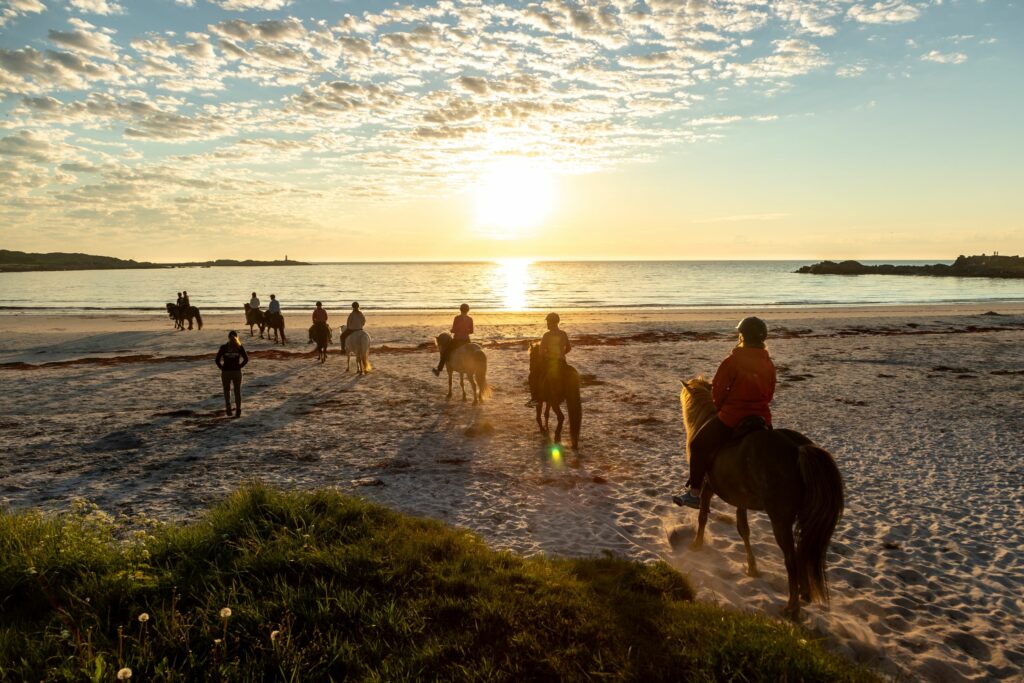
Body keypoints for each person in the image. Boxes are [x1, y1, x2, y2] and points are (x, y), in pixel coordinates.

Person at [673, 316, 776, 509]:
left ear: (742, 336)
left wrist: (720, 407)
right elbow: (769, 394)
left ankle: (694, 493)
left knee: (697, 445)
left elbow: (718, 392)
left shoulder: (732, 361)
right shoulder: (768, 363)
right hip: (762, 418)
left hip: (732, 417)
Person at [528, 312, 571, 406]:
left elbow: (541, 352)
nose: (547, 324)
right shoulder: (563, 334)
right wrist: (561, 354)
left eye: (547, 322)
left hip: (549, 363)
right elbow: (569, 348)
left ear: (550, 322)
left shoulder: (546, 335)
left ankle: (535, 399)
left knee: (532, 376)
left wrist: (547, 356)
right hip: (562, 362)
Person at [215, 330, 249, 418]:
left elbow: (217, 360)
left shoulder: (223, 347)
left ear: (228, 337)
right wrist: (240, 366)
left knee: (227, 390)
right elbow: (246, 359)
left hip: (226, 372)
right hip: (236, 372)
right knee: (237, 391)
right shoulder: (239, 347)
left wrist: (222, 368)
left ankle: (228, 406)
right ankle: (238, 410)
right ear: (237, 337)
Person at [433, 303, 473, 376]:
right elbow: (471, 331)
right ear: (468, 310)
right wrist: (465, 331)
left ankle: (438, 370)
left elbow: (454, 329)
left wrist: (452, 331)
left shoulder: (457, 318)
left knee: (445, 353)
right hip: (467, 341)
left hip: (457, 340)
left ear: (460, 310)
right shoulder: (470, 319)